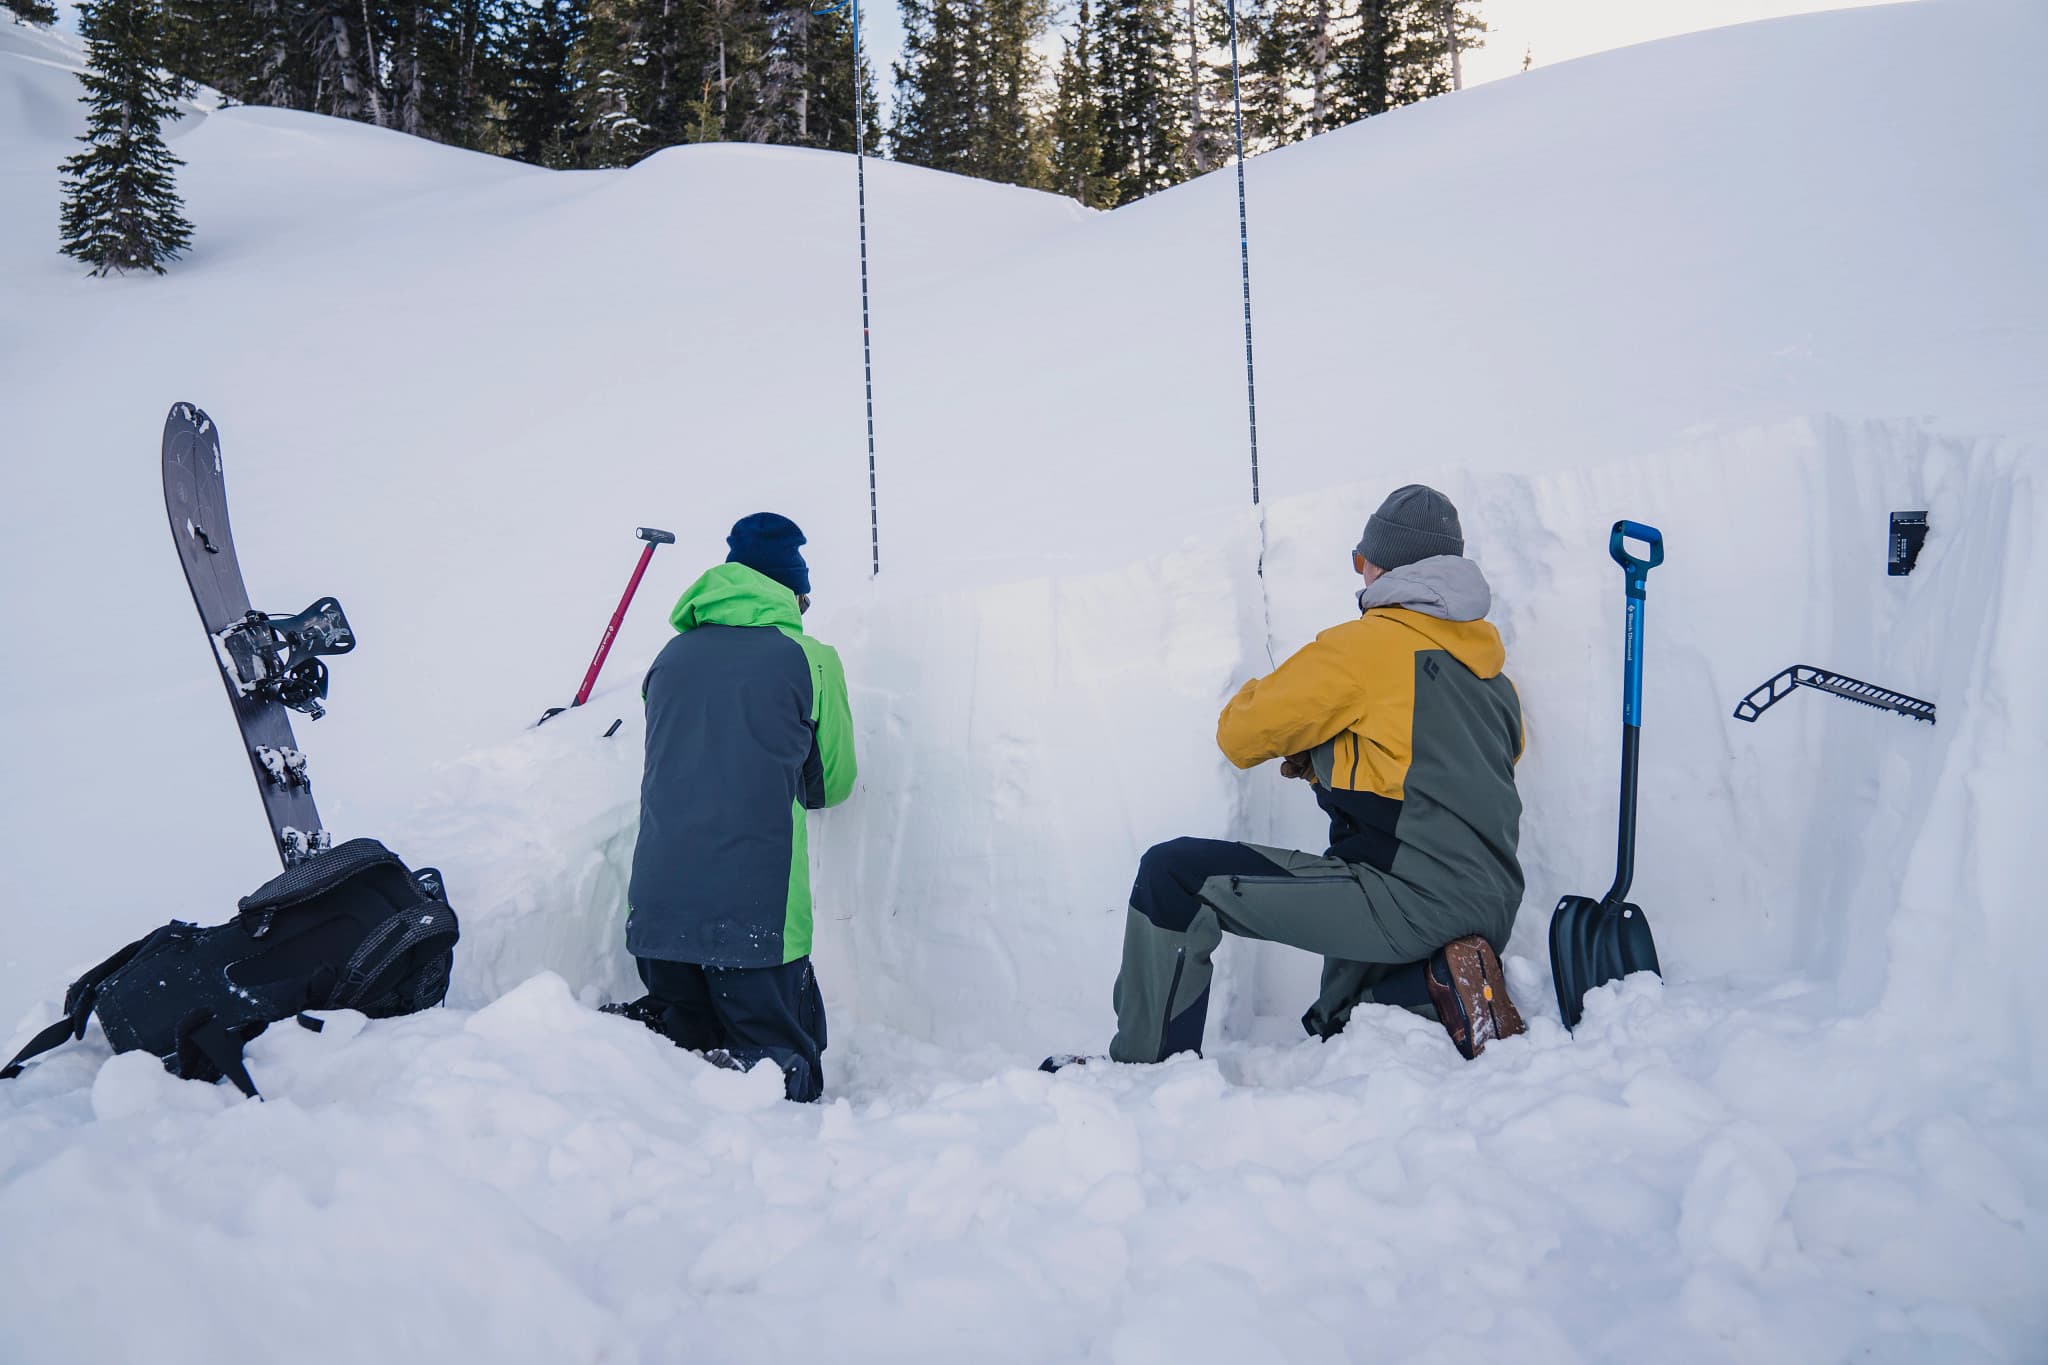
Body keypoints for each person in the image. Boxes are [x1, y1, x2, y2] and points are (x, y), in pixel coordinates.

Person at [1048, 485, 1527, 1070]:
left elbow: (1241, 734)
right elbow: (1436, 768)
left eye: (1360, 560)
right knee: (1341, 1024)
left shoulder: (1365, 648)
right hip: (1491, 903)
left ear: (1384, 565)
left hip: (1407, 899)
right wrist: (1339, 749)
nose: (1360, 573)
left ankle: (1142, 1067)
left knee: (1174, 875)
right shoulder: (1493, 678)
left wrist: (1312, 728)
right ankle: (1433, 990)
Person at [605, 512, 856, 1101]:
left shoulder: (669, 658)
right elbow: (831, 783)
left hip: (659, 910)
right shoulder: (809, 658)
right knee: (777, 1073)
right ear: (791, 590)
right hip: (756, 914)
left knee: (673, 1065)